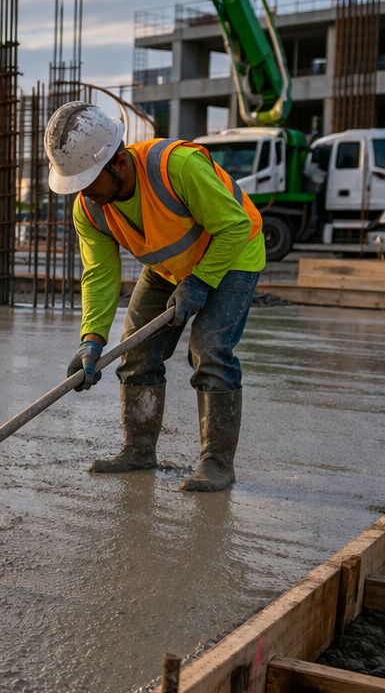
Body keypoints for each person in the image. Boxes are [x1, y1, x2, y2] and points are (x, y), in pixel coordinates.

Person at [46, 102, 264, 493]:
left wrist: (199, 283)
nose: (87, 193)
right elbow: (99, 275)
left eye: (92, 180)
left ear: (119, 162)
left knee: (210, 349)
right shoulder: (91, 210)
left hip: (233, 254)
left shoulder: (176, 167)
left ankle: (216, 464)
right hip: (171, 268)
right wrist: (90, 341)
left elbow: (234, 226)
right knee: (137, 352)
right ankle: (139, 451)